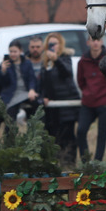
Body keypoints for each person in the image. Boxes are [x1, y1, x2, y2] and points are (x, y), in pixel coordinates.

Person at [37, 33, 78, 167]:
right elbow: (43, 83)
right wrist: (43, 97)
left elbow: (67, 73)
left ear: (60, 44)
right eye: (50, 44)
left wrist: (57, 60)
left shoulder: (65, 58)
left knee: (67, 135)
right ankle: (55, 163)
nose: (53, 46)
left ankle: (69, 162)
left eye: (55, 43)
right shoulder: (45, 62)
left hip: (66, 103)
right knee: (53, 136)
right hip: (52, 106)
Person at [76, 36, 106, 162]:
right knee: (81, 131)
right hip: (88, 102)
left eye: (98, 40)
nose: (96, 43)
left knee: (102, 133)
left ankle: (98, 162)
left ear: (102, 42)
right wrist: (87, 92)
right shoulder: (83, 60)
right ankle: (85, 161)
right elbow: (80, 81)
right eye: (93, 40)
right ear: (88, 42)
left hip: (105, 101)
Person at [0, 40, 39, 122]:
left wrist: (32, 89)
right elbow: (3, 83)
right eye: (11, 51)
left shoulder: (27, 63)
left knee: (38, 106)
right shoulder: (5, 64)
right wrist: (3, 71)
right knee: (10, 116)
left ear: (20, 51)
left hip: (26, 92)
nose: (13, 54)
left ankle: (37, 131)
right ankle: (10, 134)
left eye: (15, 51)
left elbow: (32, 78)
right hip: (12, 94)